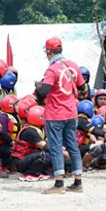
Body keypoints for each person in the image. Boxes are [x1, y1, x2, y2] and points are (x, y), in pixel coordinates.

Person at [35, 36, 85, 194]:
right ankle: (78, 182)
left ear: (49, 52)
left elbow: (43, 91)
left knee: (56, 148)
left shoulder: (52, 69)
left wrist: (38, 84)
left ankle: (59, 184)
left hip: (55, 114)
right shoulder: (73, 66)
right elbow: (82, 87)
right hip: (71, 113)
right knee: (73, 147)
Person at [11, 105, 50, 181]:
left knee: (49, 155)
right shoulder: (29, 131)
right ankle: (28, 173)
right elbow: (46, 146)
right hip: (19, 161)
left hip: (27, 158)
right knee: (45, 155)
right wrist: (63, 152)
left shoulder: (38, 129)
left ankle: (37, 172)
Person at [0, 95, 19, 175]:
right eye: (16, 105)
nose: (18, 107)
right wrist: (12, 142)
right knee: (10, 150)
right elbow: (2, 133)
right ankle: (0, 165)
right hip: (1, 144)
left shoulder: (15, 116)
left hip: (9, 142)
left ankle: (8, 165)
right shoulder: (3, 116)